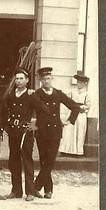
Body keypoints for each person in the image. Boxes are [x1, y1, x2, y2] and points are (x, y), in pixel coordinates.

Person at [32, 67, 85, 199]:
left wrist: (69, 121)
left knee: (50, 160)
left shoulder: (58, 93)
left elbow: (75, 107)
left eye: (48, 78)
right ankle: (48, 190)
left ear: (52, 79)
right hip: (41, 132)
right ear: (40, 80)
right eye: (44, 79)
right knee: (44, 161)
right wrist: (32, 124)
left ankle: (35, 186)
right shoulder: (36, 94)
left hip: (55, 132)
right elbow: (28, 110)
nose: (46, 81)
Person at [4, 68, 49, 201]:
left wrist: (35, 125)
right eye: (17, 79)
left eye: (21, 78)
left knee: (27, 160)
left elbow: (44, 110)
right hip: (13, 131)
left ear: (27, 80)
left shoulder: (31, 95)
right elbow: (4, 110)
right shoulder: (11, 95)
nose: (18, 81)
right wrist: (7, 125)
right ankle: (16, 190)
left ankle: (30, 191)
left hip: (26, 132)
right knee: (13, 161)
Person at [59, 73, 91, 156]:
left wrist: (83, 108)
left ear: (85, 83)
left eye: (81, 82)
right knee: (68, 130)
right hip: (72, 112)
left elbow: (88, 106)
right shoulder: (72, 92)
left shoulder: (87, 94)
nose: (79, 84)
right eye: (78, 82)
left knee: (79, 131)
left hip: (80, 114)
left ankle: (78, 151)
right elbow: (66, 100)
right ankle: (66, 150)